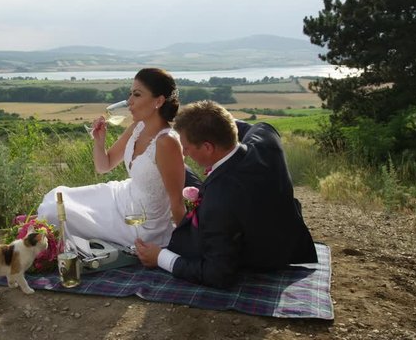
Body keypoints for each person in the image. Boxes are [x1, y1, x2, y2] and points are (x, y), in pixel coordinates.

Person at [136, 100, 318, 288]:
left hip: (262, 257)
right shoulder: (266, 140)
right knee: (180, 167)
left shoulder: (219, 202)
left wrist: (160, 257)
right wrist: (210, 122)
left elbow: (217, 274)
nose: (184, 152)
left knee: (180, 168)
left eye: (187, 147)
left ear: (208, 147)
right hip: (287, 238)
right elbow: (240, 126)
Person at [37, 68, 186, 247]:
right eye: (130, 94)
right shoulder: (138, 127)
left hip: (139, 224)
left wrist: (184, 248)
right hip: (121, 196)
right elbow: (104, 166)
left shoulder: (166, 142)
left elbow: (176, 202)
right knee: (56, 199)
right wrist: (99, 142)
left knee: (54, 214)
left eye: (137, 95)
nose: (129, 102)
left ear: (159, 101)